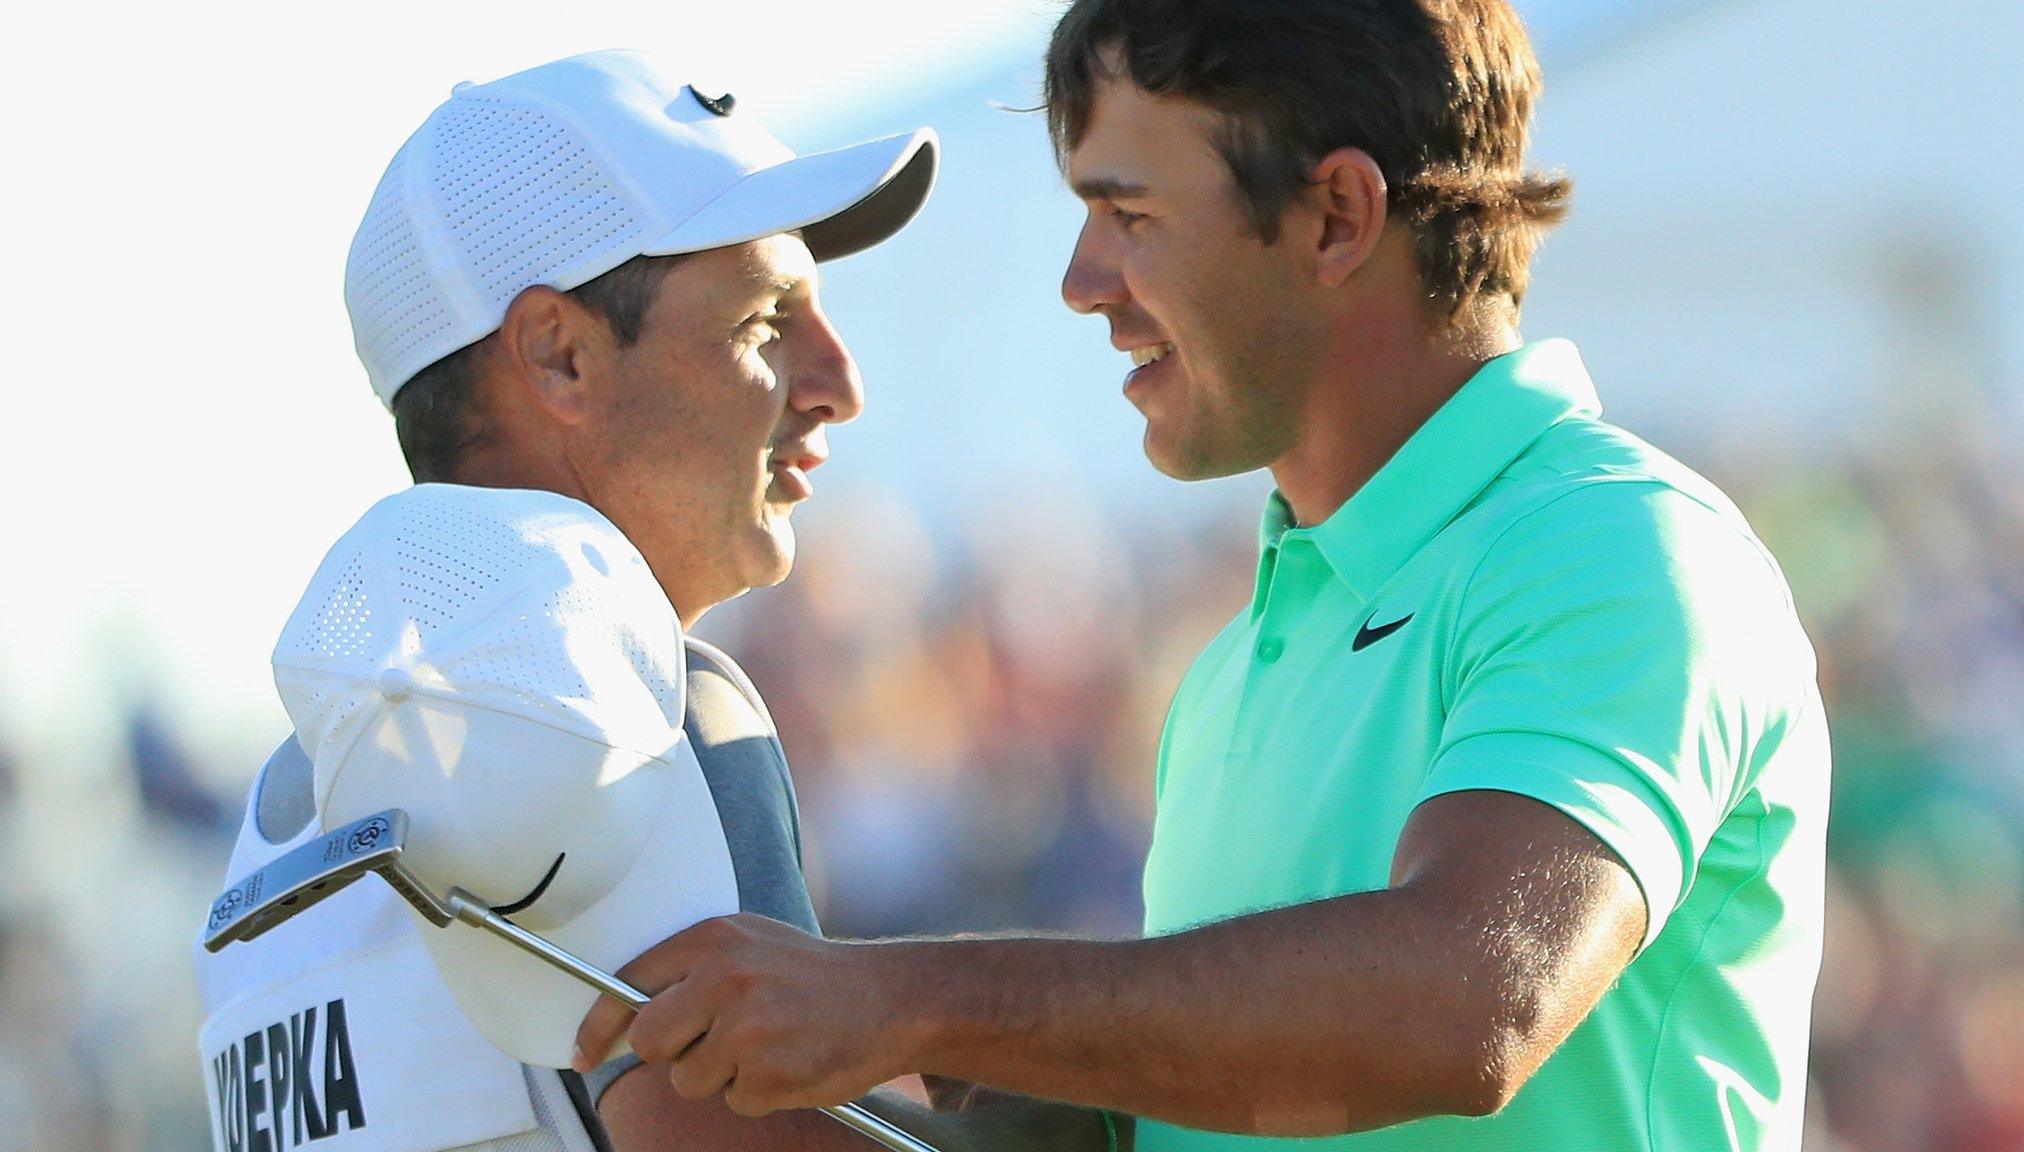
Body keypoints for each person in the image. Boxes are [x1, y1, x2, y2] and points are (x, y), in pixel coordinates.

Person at [573, 3, 1832, 1151]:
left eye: (1128, 216)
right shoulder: (1233, 667)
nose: (1080, 284)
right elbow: (1290, 1078)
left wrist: (912, 1003)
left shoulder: (1616, 547)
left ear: (1335, 216)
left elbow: (1467, 1005)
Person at [193, 48, 989, 1152]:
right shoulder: (644, 718)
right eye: (765, 321)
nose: (837, 383)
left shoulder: (266, 843)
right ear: (557, 356)